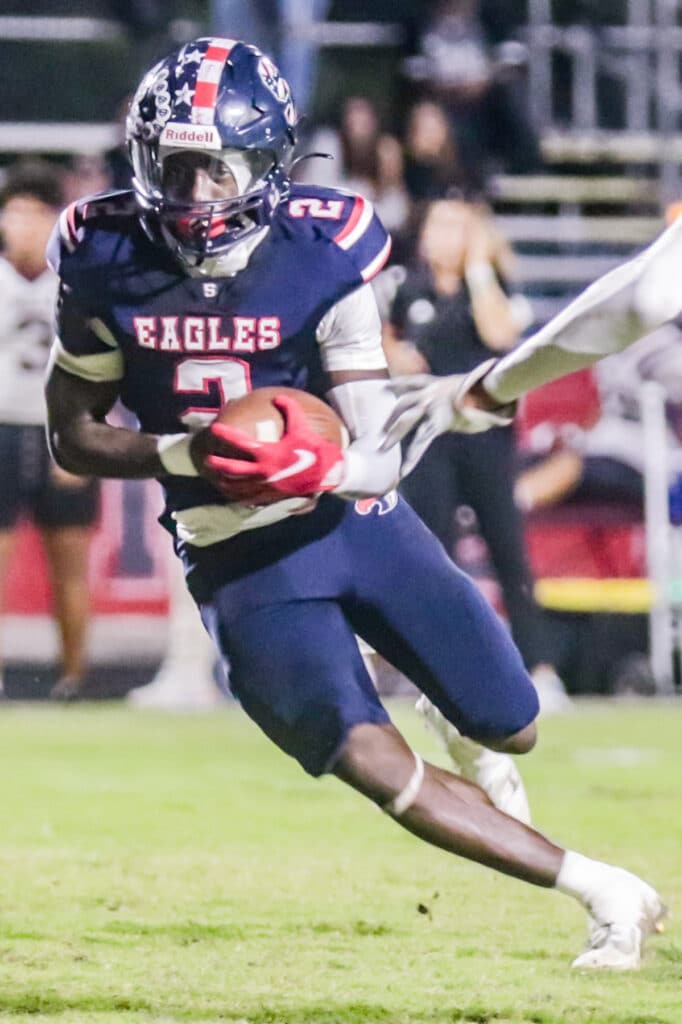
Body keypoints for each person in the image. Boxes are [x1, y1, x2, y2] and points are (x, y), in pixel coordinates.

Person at [45, 37, 665, 970]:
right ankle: (604, 891)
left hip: (354, 520)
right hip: (233, 552)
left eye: (218, 168)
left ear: (270, 166)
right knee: (365, 757)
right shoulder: (103, 255)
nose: (195, 191)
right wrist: (193, 453)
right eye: (175, 165)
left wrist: (310, 465)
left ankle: (464, 723)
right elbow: (74, 436)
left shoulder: (324, 246)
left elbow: (375, 455)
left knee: (513, 723)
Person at [385, 198, 568, 719]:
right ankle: (439, 673)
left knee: (511, 555)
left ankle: (541, 671)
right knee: (432, 559)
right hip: (428, 438)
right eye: (437, 223)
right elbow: (387, 342)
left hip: (485, 440)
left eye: (455, 226)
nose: (442, 234)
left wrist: (481, 266)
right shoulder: (408, 287)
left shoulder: (488, 288)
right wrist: (395, 356)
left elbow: (500, 336)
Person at [0, 161, 99, 701]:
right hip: (3, 427)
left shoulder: (74, 281)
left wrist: (81, 434)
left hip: (61, 426)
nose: (24, 227)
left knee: (70, 561)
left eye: (35, 215)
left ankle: (74, 676)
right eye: (13, 215)